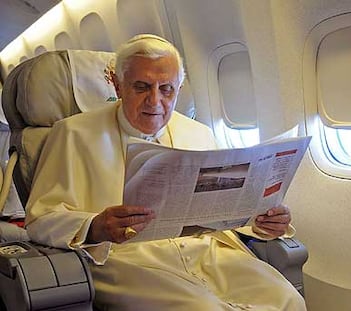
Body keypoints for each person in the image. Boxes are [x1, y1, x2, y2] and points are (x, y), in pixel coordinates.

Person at [25, 34, 306, 311]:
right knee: (202, 308)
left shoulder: (199, 133)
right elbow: (41, 220)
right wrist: (96, 225)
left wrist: (264, 221)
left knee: (288, 300)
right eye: (141, 87)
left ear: (179, 88)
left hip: (206, 251)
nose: (154, 101)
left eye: (166, 89)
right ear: (118, 85)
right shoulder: (73, 134)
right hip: (125, 259)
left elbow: (224, 211)